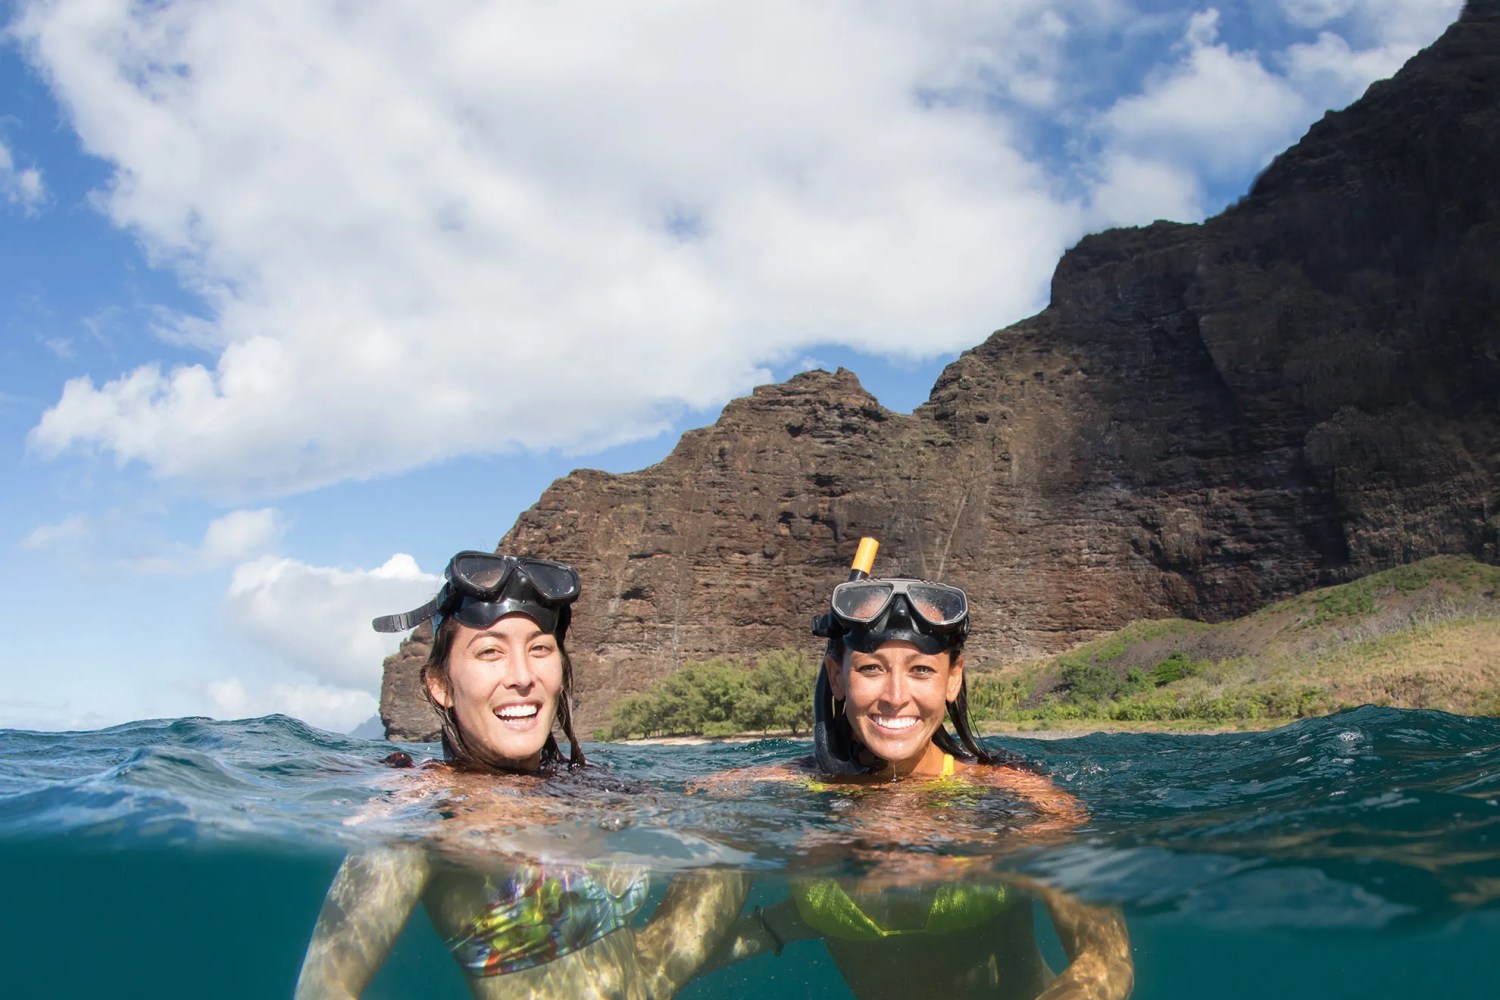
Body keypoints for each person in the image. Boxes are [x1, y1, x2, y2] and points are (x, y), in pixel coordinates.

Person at [295, 550, 747, 999]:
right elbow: (323, 990)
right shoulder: (421, 810)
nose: (523, 675)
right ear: (440, 683)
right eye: (490, 651)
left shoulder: (592, 787)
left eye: (539, 649)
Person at [698, 539, 1134, 1000]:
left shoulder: (1021, 798)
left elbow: (1106, 962)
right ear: (836, 677)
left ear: (953, 678)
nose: (895, 695)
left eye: (922, 670)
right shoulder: (773, 791)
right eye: (871, 668)